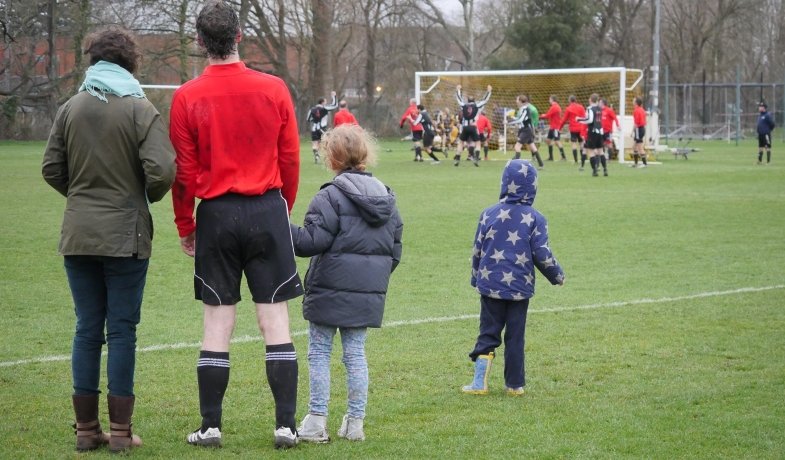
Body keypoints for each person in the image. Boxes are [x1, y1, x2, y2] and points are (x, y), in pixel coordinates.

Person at [168, 1, 304, 449]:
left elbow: (184, 172)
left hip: (217, 215)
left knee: (217, 324)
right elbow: (290, 157)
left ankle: (211, 427)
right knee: (275, 321)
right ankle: (285, 425)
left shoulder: (187, 96)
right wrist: (283, 208)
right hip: (267, 207)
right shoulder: (274, 88)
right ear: (240, 36)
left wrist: (185, 223)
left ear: (200, 41)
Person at [42, 27, 176, 453]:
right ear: (131, 62)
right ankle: (120, 434)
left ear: (92, 60)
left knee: (86, 329)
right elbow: (162, 173)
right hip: (126, 235)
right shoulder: (140, 108)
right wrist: (139, 198)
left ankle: (85, 431)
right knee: (121, 332)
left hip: (79, 233)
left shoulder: (70, 107)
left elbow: (51, 168)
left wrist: (81, 198)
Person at [290, 124, 403, 443]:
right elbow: (394, 251)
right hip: (366, 295)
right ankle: (355, 423)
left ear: (332, 159)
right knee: (355, 354)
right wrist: (369, 279)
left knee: (319, 352)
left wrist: (281, 223)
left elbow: (309, 242)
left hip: (328, 289)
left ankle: (316, 421)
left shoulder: (330, 196)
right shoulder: (388, 198)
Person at [462, 159, 565, 396]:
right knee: (516, 336)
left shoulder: (488, 214)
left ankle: (479, 383)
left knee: (488, 332)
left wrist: (476, 278)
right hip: (520, 288)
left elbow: (477, 249)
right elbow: (542, 253)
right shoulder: (536, 218)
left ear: (505, 183)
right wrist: (557, 275)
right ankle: (514, 385)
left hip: (490, 286)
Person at [454, 84, 492, 166]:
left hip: (465, 127)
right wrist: (488, 91)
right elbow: (484, 100)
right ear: (474, 101)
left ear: (467, 101)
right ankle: (476, 159)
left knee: (461, 143)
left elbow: (459, 99)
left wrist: (458, 90)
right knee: (478, 143)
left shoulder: (463, 105)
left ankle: (457, 159)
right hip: (473, 127)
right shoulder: (477, 106)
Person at [506, 95, 544, 169]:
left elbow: (520, 120)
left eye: (517, 100)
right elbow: (519, 118)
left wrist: (508, 122)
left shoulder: (525, 109)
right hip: (527, 130)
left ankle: (514, 164)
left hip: (526, 130)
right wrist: (511, 117)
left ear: (520, 101)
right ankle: (541, 164)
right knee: (533, 147)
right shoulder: (523, 109)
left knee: (517, 147)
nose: (516, 101)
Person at [577, 93, 607, 176]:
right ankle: (605, 170)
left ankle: (595, 171)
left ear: (590, 99)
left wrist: (579, 120)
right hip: (600, 131)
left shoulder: (590, 108)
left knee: (591, 152)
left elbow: (589, 120)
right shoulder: (600, 108)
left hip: (592, 132)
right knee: (601, 151)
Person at [308, 91, 338, 163]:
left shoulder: (312, 109)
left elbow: (308, 119)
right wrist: (334, 96)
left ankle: (317, 155)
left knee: (315, 143)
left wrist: (315, 119)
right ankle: (327, 158)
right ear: (322, 102)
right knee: (327, 142)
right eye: (325, 101)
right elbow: (334, 105)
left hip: (314, 129)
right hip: (322, 128)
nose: (326, 102)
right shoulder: (324, 108)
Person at [560, 95, 586, 164]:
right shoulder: (581, 107)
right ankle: (583, 159)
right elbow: (584, 117)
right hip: (581, 128)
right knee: (581, 143)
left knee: (574, 143)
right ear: (575, 100)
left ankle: (576, 160)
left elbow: (564, 120)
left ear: (569, 100)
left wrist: (560, 127)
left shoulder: (568, 108)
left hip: (573, 129)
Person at [541, 95, 566, 161]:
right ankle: (551, 157)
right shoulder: (556, 106)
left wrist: (542, 115)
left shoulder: (554, 107)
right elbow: (550, 115)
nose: (549, 100)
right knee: (548, 141)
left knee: (557, 141)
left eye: (549, 99)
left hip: (555, 127)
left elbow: (547, 115)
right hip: (552, 127)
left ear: (552, 99)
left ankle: (563, 157)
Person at [632, 97, 648, 168]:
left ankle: (644, 164)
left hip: (639, 129)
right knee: (635, 147)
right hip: (642, 129)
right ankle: (636, 163)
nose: (632, 101)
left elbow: (636, 123)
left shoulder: (636, 110)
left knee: (640, 147)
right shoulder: (642, 110)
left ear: (636, 103)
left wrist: (632, 131)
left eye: (634, 100)